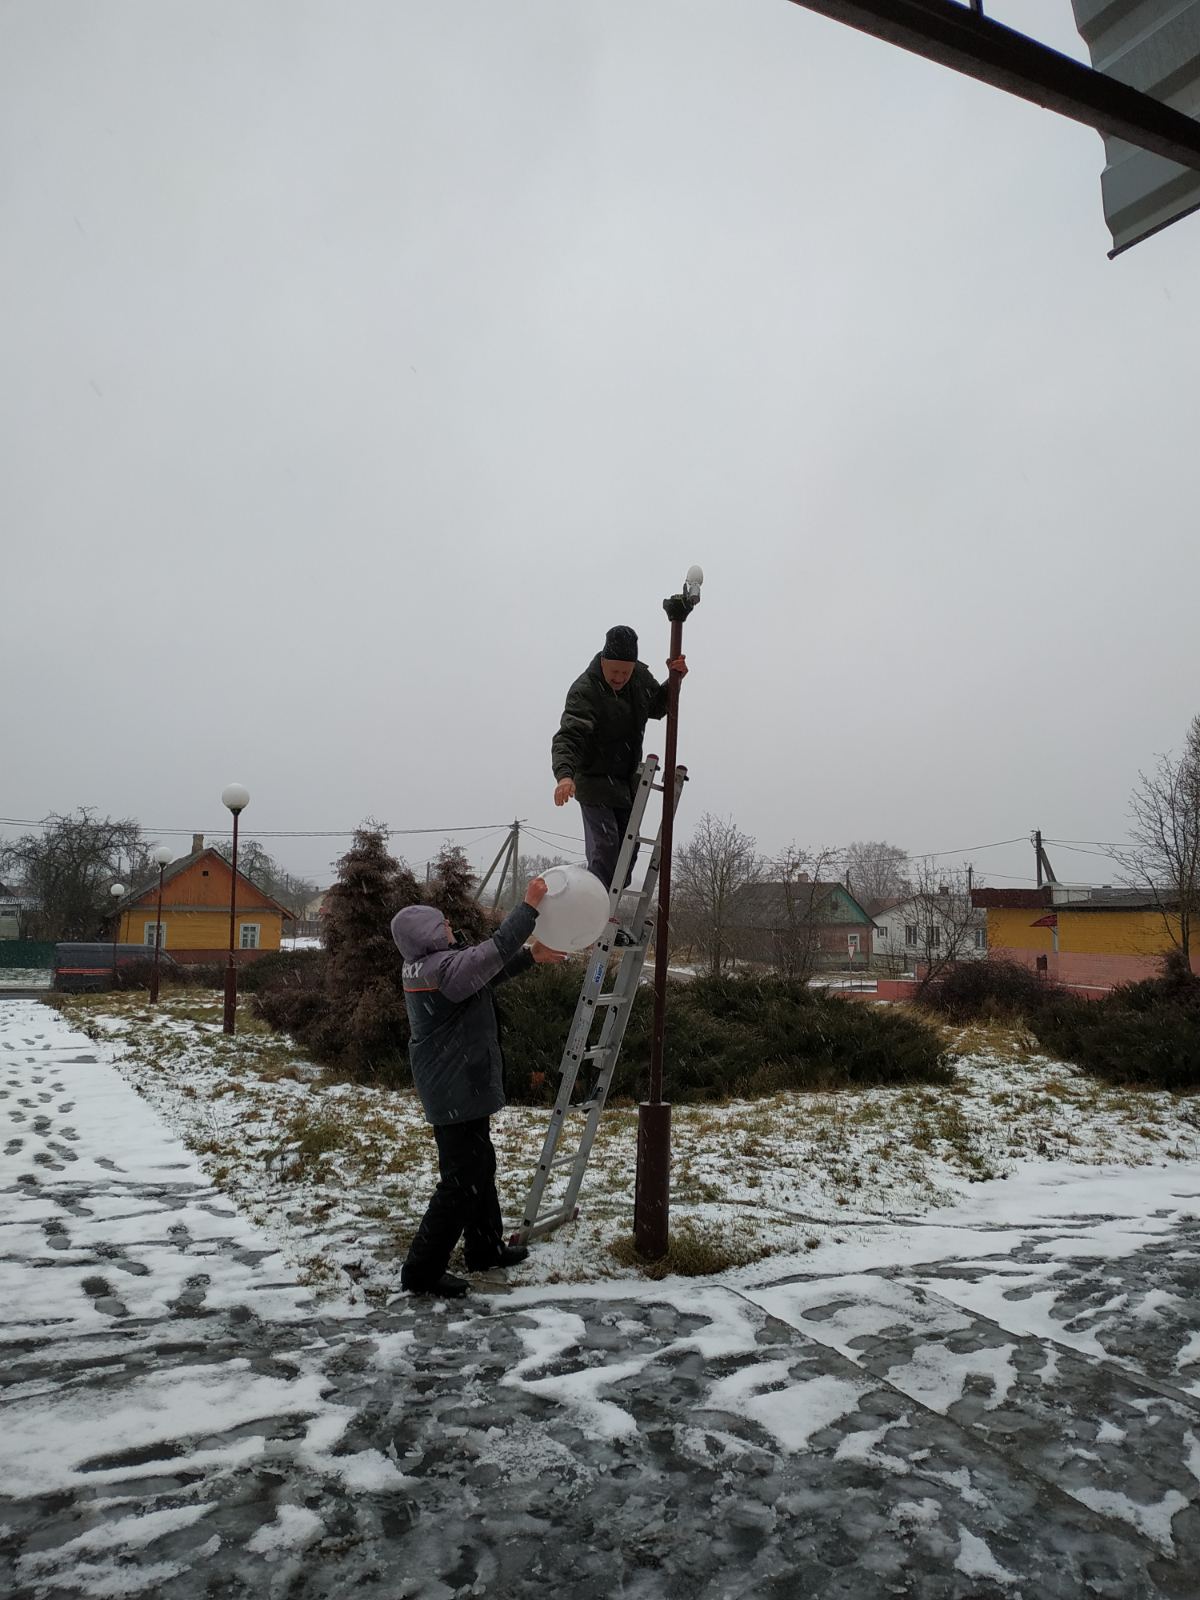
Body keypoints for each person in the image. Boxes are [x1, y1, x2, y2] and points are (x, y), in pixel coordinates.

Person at [392, 877, 564, 1298]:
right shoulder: (439, 968)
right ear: (428, 935)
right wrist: (528, 910)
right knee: (460, 1180)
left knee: (478, 1166)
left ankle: (485, 1248)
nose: (449, 927)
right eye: (443, 923)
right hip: (454, 1088)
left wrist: (530, 957)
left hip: (455, 1083)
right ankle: (421, 1272)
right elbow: (490, 953)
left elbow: (482, 972)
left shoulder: (431, 966)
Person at [551, 624, 687, 895]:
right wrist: (564, 775)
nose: (619, 678)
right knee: (605, 847)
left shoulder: (638, 678)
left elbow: (659, 706)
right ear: (603, 661)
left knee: (628, 850)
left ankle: (605, 905)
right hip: (592, 779)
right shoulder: (585, 690)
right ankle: (594, 910)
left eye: (625, 672)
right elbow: (570, 735)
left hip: (625, 782)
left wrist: (675, 680)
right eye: (614, 671)